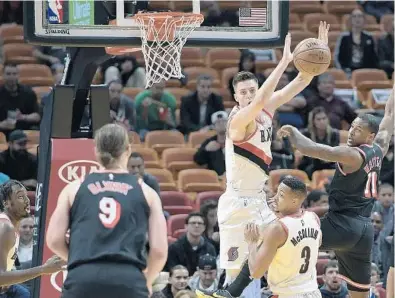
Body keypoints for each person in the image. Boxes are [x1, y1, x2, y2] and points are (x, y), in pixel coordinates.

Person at [197, 22, 330, 298]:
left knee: (281, 250)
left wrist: (320, 55)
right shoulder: (237, 121)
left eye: (251, 90)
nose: (248, 95)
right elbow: (258, 103)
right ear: (235, 97)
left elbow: (302, 82)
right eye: (243, 92)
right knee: (237, 273)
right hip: (237, 205)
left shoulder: (265, 108)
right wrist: (283, 63)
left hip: (260, 199)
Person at [277, 87, 394, 298]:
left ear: (370, 136)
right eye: (351, 127)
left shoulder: (352, 155)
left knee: (284, 236)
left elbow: (317, 150)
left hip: (341, 225)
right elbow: (390, 115)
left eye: (357, 130)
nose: (351, 132)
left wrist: (294, 133)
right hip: (364, 232)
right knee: (360, 294)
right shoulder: (380, 146)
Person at [46, 123, 168, 298]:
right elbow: (159, 251)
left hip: (83, 278)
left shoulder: (73, 188)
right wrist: (147, 281)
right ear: (128, 149)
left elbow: (54, 240)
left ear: (95, 150)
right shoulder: (147, 192)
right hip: (128, 280)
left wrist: (78, 261)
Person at [244, 177, 322, 298]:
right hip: (313, 292)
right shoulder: (314, 218)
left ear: (295, 201)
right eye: (276, 192)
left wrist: (252, 242)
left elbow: (255, 272)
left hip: (288, 294)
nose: (274, 198)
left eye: (280, 195)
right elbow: (317, 244)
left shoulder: (277, 228)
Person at [0, 180, 64, 294]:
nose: (27, 200)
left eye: (26, 195)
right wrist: (43, 269)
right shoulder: (5, 227)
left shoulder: (10, 226)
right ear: (6, 203)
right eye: (20, 196)